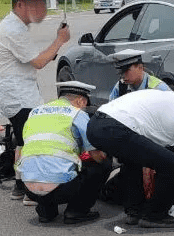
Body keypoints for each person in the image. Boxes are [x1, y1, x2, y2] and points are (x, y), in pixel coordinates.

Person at [0, 0, 70, 203]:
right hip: (19, 97)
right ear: (21, 4)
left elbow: (36, 56)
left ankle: (20, 186)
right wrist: (60, 40)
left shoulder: (14, 26)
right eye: (35, 5)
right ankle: (33, 192)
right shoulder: (13, 29)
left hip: (14, 95)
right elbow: (39, 62)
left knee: (23, 141)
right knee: (33, 142)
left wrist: (55, 43)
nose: (40, 10)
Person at [87, 89, 174, 228]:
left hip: (96, 125)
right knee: (173, 165)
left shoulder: (172, 99)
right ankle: (155, 215)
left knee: (134, 159)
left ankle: (135, 212)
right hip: (115, 128)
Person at [16, 81, 111, 224]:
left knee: (42, 161)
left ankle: (46, 211)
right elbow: (97, 156)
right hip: (61, 190)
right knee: (102, 165)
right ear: (80, 100)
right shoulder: (77, 114)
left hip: (28, 188)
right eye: (85, 104)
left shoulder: (34, 112)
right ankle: (77, 211)